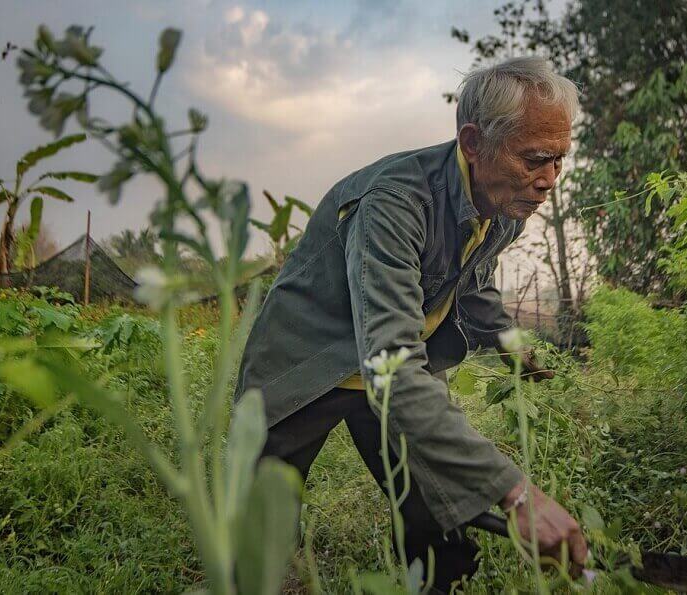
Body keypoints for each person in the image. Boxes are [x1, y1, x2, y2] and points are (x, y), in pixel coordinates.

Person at [234, 56, 588, 592]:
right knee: (262, 533)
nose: (549, 182)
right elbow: (391, 369)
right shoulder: (395, 204)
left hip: (393, 362)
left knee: (438, 512)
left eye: (559, 161)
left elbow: (475, 285)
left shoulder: (502, 204)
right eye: (536, 159)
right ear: (473, 142)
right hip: (311, 362)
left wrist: (514, 348)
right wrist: (518, 492)